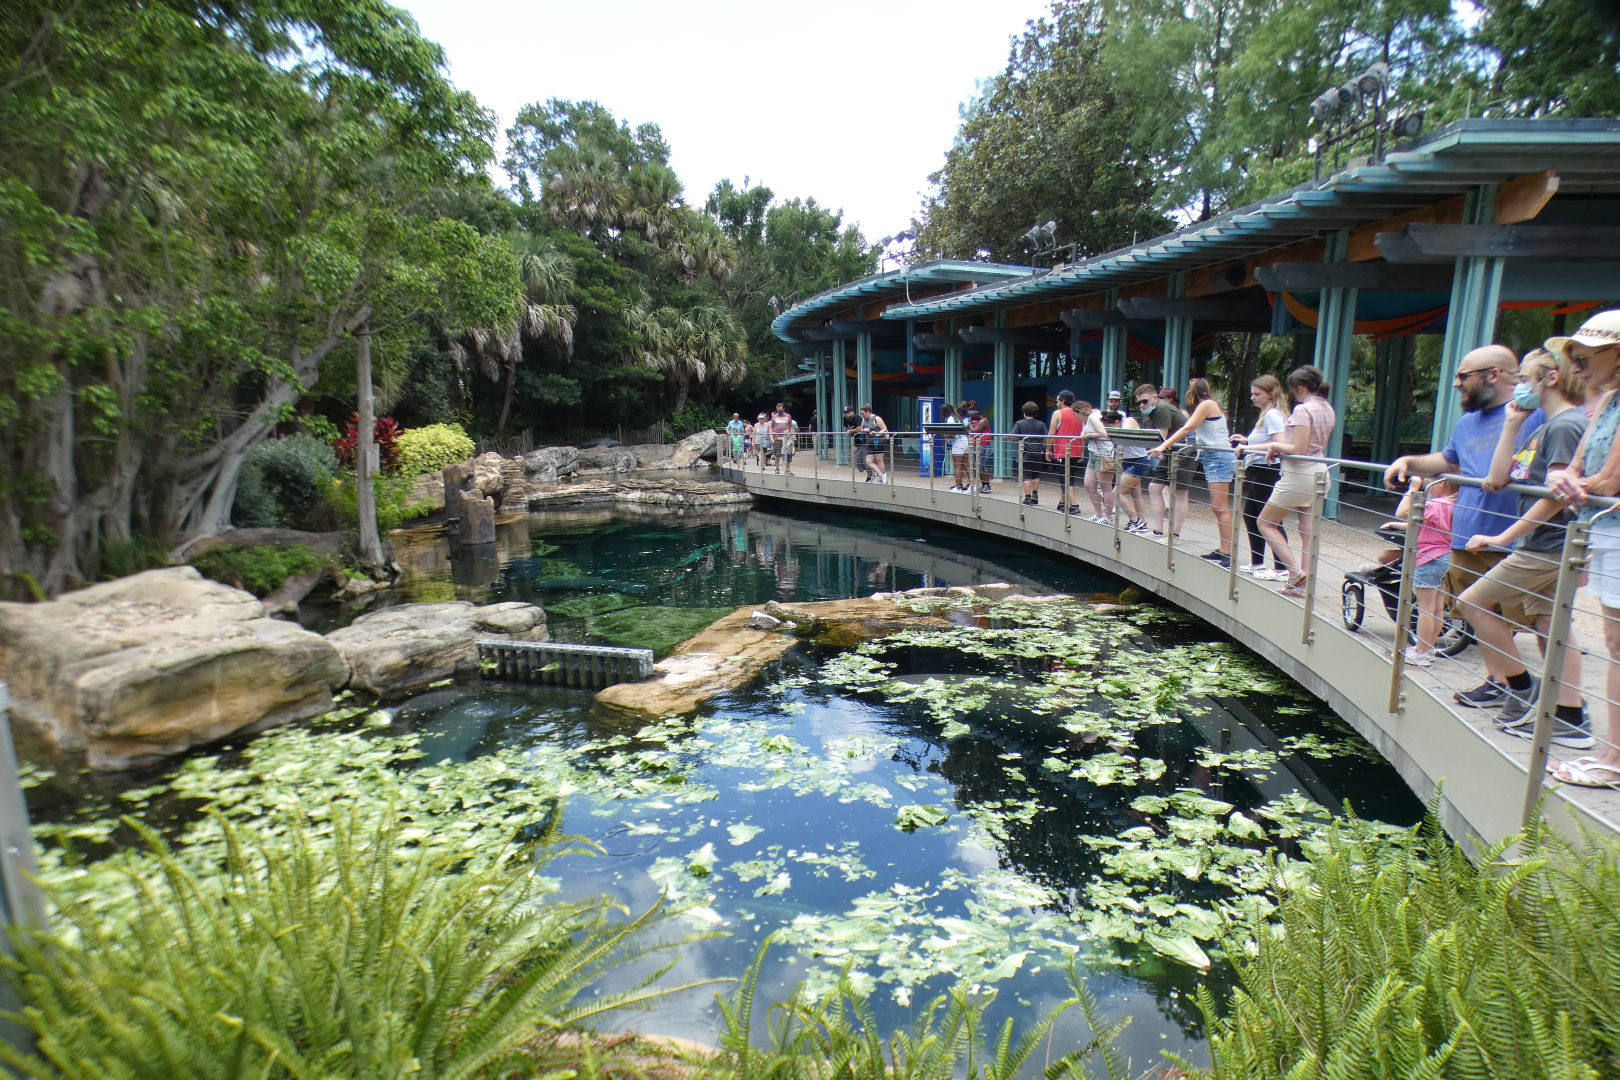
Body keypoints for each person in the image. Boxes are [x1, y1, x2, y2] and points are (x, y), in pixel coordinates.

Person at [1384, 345, 1541, 708]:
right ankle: (1497, 681)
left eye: (1462, 376)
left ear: (1493, 374)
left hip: (1514, 537)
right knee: (1474, 613)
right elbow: (1447, 460)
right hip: (1467, 534)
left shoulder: (1533, 414)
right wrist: (1409, 460)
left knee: (1522, 619)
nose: (1456, 384)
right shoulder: (1467, 422)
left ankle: (1551, 702)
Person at [1457, 347, 1589, 738]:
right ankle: (1570, 716)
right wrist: (1513, 423)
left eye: (1526, 379)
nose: (1519, 387)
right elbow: (1499, 477)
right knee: (1550, 623)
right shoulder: (1543, 425)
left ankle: (1522, 688)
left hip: (1549, 543)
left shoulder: (1565, 426)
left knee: (1471, 601)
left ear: (1548, 379)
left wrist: (1503, 537)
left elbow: (1557, 496)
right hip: (1543, 542)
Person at [1542, 311, 1620, 785]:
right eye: (1575, 356)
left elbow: (1609, 478)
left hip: (1613, 525)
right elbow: (1575, 466)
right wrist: (1566, 477)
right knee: (1614, 643)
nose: (1577, 365)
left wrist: (1574, 482)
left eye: (1587, 356)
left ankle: (1613, 760)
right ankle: (1612, 752)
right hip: (1604, 528)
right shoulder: (1608, 400)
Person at [1245, 364, 1337, 598]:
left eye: (1294, 390)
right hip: (1320, 471)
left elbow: (1299, 448)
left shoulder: (1303, 410)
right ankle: (1302, 584)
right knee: (1307, 531)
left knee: (1265, 522)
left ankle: (1295, 573)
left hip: (1299, 473)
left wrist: (1275, 446)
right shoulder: (1327, 408)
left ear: (1301, 388)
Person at [1152, 378, 1236, 566]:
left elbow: (1188, 427)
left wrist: (1164, 445)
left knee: (1220, 507)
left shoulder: (1206, 404)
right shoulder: (1209, 404)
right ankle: (1224, 550)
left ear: (1193, 391)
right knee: (1218, 508)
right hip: (1211, 458)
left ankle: (1228, 552)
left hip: (1219, 458)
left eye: (1189, 388)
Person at [1394, 476, 1460, 667]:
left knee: (1425, 608)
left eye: (1431, 482)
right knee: (1437, 608)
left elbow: (1402, 512)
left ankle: (1420, 652)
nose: (1427, 485)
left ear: (1442, 484)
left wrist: (1413, 489)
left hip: (1428, 557)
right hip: (1446, 556)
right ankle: (1428, 648)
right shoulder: (1455, 504)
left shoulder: (1434, 504)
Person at [1230, 375, 1290, 579]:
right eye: (1252, 393)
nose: (1252, 397)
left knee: (1270, 519)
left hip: (1267, 471)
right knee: (1251, 516)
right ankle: (1258, 563)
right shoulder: (1269, 414)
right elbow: (1268, 439)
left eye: (1257, 394)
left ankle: (1282, 568)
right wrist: (1247, 440)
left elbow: (1279, 442)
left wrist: (1248, 446)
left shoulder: (1273, 414)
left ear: (1270, 394)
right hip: (1258, 469)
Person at [1136, 382, 1189, 537]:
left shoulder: (1162, 408)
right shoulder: (1150, 411)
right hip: (1169, 451)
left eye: (1145, 401)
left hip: (1183, 451)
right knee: (1154, 487)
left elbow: (1162, 435)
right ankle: (1158, 530)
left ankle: (1174, 535)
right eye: (1139, 402)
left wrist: (1156, 450)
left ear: (1155, 397)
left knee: (1179, 492)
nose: (1142, 404)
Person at [1115, 401, 1151, 533]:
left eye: (1114, 421)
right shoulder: (1113, 427)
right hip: (1128, 461)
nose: (1112, 425)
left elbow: (1122, 436)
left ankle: (1134, 520)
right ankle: (1142, 523)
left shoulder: (1128, 421)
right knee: (1136, 494)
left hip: (1138, 462)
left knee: (1117, 492)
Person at [1047, 391, 1085, 512]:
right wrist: (1082, 451)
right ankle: (1062, 502)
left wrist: (1048, 449)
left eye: (1058, 400)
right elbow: (1083, 434)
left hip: (1062, 450)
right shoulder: (1079, 414)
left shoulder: (1058, 413)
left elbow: (1051, 433)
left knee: (1066, 478)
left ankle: (1074, 505)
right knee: (1068, 476)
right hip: (1075, 449)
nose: (1057, 403)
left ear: (1063, 401)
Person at [1081, 399, 1116, 522]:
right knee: (1089, 485)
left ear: (1079, 412)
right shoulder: (1086, 420)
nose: (1074, 417)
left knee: (1106, 487)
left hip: (1104, 454)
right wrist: (1084, 433)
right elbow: (1085, 430)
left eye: (1074, 414)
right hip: (1093, 453)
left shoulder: (1092, 417)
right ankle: (1099, 514)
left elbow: (1103, 433)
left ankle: (1108, 517)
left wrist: (1088, 436)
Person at [1012, 402, 1049, 505]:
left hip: (1026, 453)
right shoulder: (1041, 424)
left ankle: (1027, 498)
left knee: (1026, 475)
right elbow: (1046, 438)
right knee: (1036, 474)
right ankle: (1035, 496)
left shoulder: (1020, 423)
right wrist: (1042, 445)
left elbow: (1012, 436)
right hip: (1037, 452)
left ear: (1024, 412)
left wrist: (1007, 437)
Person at [860, 404, 889, 483]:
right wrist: (865, 430)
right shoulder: (864, 420)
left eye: (863, 414)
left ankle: (882, 478)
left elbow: (884, 428)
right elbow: (861, 429)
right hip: (869, 442)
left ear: (868, 412)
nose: (862, 415)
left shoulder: (876, 418)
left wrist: (877, 433)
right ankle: (881, 475)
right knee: (868, 461)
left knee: (879, 460)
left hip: (878, 441)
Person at [947, 404, 972, 492]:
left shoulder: (951, 418)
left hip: (958, 443)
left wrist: (945, 435)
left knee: (957, 466)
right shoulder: (961, 419)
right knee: (966, 465)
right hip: (965, 441)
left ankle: (958, 487)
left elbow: (952, 435)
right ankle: (971, 486)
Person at [968, 408, 993, 493]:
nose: (971, 417)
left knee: (982, 465)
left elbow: (975, 431)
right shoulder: (976, 422)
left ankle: (987, 485)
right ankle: (983, 485)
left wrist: (969, 423)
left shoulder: (983, 421)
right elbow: (966, 428)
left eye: (972, 415)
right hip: (977, 445)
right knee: (978, 465)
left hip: (984, 445)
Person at [767, 403, 796, 475]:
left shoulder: (788, 416)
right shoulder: (774, 416)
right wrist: (771, 437)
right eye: (777, 410)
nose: (779, 411)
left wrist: (791, 436)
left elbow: (791, 426)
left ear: (783, 409)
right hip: (777, 438)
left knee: (788, 454)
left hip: (786, 438)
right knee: (777, 454)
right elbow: (771, 427)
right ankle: (777, 468)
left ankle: (788, 469)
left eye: (780, 409)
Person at [844, 405, 867, 477]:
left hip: (863, 441)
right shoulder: (845, 419)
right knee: (857, 461)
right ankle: (866, 474)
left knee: (866, 460)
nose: (846, 414)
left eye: (848, 412)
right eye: (845, 413)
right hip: (855, 442)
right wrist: (848, 432)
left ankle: (870, 475)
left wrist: (850, 431)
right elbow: (846, 428)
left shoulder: (856, 418)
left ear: (852, 412)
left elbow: (859, 429)